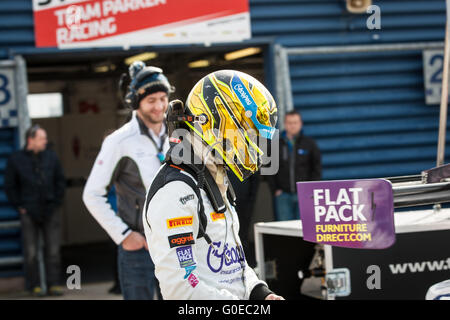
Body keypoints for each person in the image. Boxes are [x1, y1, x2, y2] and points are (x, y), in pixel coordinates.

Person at [143, 70, 284, 300]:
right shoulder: (176, 191)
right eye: (247, 132)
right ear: (215, 124)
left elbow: (232, 265)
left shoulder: (215, 176)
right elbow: (180, 290)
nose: (254, 146)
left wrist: (259, 293)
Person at [82, 61, 174, 300]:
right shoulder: (119, 141)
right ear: (136, 102)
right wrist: (123, 235)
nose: (159, 106)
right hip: (138, 248)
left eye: (163, 98)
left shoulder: (178, 134)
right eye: (151, 100)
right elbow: (92, 194)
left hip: (175, 244)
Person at [4, 124, 65, 297]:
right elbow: (10, 186)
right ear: (31, 140)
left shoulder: (51, 157)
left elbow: (60, 181)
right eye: (42, 139)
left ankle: (53, 285)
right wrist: (20, 206)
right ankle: (35, 286)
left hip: (50, 210)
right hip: (29, 212)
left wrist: (57, 202)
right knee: (30, 252)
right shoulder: (16, 159)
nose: (45, 142)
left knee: (52, 251)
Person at [268, 110, 322, 221]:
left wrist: (311, 189)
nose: (292, 126)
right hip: (283, 195)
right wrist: (275, 189)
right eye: (289, 122)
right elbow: (268, 168)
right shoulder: (275, 144)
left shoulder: (309, 144)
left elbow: (317, 168)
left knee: (304, 227)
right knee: (285, 229)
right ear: (285, 124)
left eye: (295, 122)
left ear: (300, 124)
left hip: (304, 195)